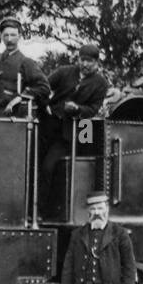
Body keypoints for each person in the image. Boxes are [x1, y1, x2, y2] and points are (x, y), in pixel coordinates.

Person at [39, 44, 109, 215]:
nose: (85, 64)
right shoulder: (64, 71)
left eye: (90, 61)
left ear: (97, 63)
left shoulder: (101, 84)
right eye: (82, 60)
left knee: (48, 168)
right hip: (46, 125)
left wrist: (77, 110)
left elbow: (92, 110)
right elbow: (43, 86)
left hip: (67, 135)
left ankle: (41, 211)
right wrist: (45, 105)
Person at [0, 18, 49, 118]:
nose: (9, 39)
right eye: (6, 35)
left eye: (13, 35)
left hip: (9, 116)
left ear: (19, 36)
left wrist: (20, 97)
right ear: (1, 36)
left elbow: (44, 87)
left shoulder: (26, 63)